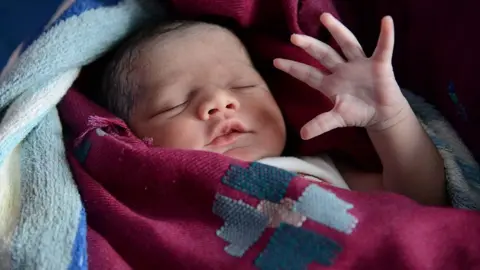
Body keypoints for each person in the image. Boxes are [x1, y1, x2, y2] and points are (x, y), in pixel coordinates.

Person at [99, 13, 446, 205]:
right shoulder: (152, 202)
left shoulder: (313, 170)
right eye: (174, 104)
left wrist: (390, 119)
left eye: (243, 86)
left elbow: (419, 199)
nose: (220, 102)